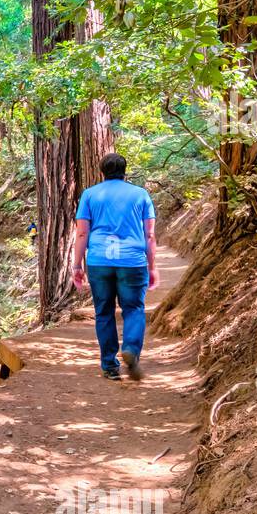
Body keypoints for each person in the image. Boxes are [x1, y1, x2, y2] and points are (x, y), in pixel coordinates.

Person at [70, 152, 159, 380]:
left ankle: (109, 366)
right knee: (134, 309)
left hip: (99, 261)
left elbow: (82, 233)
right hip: (132, 261)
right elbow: (149, 235)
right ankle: (130, 349)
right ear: (124, 170)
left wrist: (77, 265)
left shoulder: (90, 195)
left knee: (104, 313)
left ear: (102, 171)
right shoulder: (141, 195)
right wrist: (152, 267)